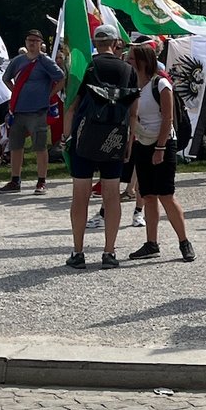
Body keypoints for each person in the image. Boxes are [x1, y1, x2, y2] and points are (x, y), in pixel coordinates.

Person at [65, 24, 134, 269]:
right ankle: (109, 252)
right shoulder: (128, 69)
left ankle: (78, 251)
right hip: (115, 135)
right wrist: (129, 140)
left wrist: (66, 137)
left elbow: (72, 106)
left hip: (85, 137)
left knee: (80, 195)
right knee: (112, 195)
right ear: (116, 43)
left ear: (96, 42)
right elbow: (132, 111)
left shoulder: (86, 67)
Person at [124, 41, 194, 262]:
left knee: (166, 195)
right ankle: (151, 243)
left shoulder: (161, 84)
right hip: (142, 142)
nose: (128, 62)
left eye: (132, 59)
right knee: (148, 195)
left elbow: (168, 118)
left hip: (163, 143)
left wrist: (161, 147)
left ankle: (184, 241)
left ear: (143, 61)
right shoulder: (135, 84)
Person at [0, 30, 64, 195]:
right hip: (18, 110)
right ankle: (15, 180)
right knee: (16, 146)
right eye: (29, 40)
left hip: (38, 111)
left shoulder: (45, 61)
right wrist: (15, 93)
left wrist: (48, 95)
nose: (32, 43)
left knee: (40, 147)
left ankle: (41, 181)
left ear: (41, 43)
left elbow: (61, 78)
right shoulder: (18, 61)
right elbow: (6, 78)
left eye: (35, 40)